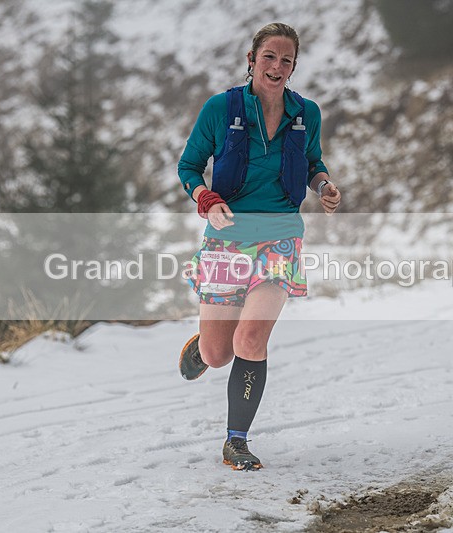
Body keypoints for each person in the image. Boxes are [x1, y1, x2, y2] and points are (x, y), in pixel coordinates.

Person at [176, 23, 341, 470]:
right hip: (226, 241)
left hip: (280, 239)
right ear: (252, 60)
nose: (277, 66)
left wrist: (322, 183)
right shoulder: (220, 108)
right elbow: (189, 166)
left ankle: (236, 440)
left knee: (251, 339)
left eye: (286, 60)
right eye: (269, 56)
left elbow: (312, 161)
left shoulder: (306, 113)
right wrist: (205, 199)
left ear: (293, 67)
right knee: (219, 353)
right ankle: (201, 346)